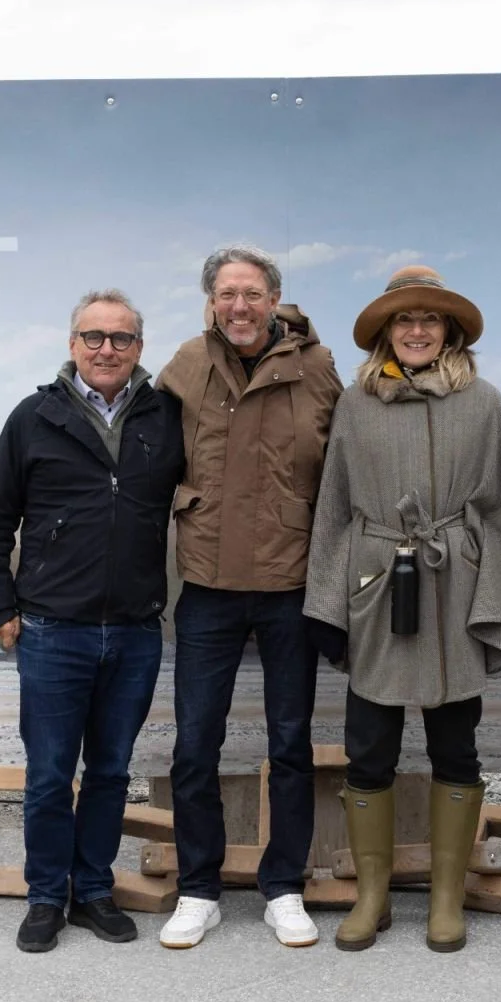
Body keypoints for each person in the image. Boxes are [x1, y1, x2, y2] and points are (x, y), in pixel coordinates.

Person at [304, 265, 501, 954]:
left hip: (453, 587)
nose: (415, 330)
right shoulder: (356, 403)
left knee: (453, 745)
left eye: (428, 319)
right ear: (384, 332)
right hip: (377, 583)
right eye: (402, 320)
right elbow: (335, 506)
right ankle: (371, 894)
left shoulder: (485, 402)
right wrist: (326, 601)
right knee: (368, 744)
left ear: (449, 330)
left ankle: (445, 895)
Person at [0, 288, 186, 955]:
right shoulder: (33, 417)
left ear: (139, 348)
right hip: (53, 630)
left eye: (120, 338)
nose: (106, 349)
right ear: (71, 345)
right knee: (48, 773)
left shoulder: (165, 416)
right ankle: (45, 896)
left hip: (133, 628)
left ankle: (93, 889)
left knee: (111, 771)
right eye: (92, 337)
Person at [154, 244, 343, 950]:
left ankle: (284, 886)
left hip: (292, 582)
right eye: (227, 294)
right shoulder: (185, 367)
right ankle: (198, 888)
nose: (240, 305)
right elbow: (152, 460)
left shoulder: (317, 369)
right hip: (206, 583)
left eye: (252, 294)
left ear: (274, 301)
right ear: (211, 302)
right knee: (196, 742)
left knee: (291, 742)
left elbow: (342, 465)